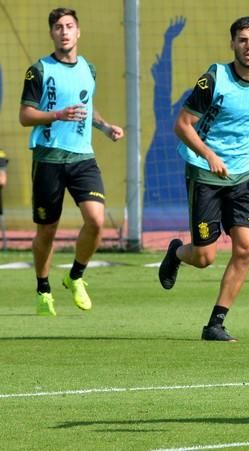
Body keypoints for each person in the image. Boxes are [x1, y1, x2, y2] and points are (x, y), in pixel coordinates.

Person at [158, 16, 249, 342]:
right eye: (243, 40)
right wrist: (210, 155)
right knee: (204, 258)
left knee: (246, 249)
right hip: (205, 172)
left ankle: (215, 324)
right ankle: (177, 252)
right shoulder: (214, 79)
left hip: (241, 176)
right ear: (233, 44)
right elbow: (182, 124)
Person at [19, 8, 125, 316]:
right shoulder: (38, 70)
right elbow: (25, 116)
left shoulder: (88, 69)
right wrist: (56, 115)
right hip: (49, 158)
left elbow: (88, 108)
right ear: (51, 34)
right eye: (58, 27)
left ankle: (75, 275)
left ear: (78, 32)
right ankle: (43, 288)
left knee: (96, 220)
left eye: (69, 26)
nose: (64, 32)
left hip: (82, 157)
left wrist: (104, 127)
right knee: (47, 231)